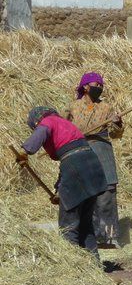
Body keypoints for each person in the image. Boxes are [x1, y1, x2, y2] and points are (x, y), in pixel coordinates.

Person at [17, 107, 107, 259]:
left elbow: (42, 134)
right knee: (85, 224)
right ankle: (95, 265)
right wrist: (59, 191)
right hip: (91, 166)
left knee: (68, 226)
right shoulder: (66, 124)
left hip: (76, 167)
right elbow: (69, 160)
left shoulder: (47, 122)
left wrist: (25, 152)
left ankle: (72, 267)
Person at [64, 72, 124, 248]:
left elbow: (115, 134)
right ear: (85, 87)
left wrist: (117, 123)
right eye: (95, 84)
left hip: (102, 150)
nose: (99, 87)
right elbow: (63, 130)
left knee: (107, 194)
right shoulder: (72, 108)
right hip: (80, 150)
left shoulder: (106, 108)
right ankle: (86, 236)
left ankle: (109, 238)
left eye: (101, 84)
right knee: (84, 194)